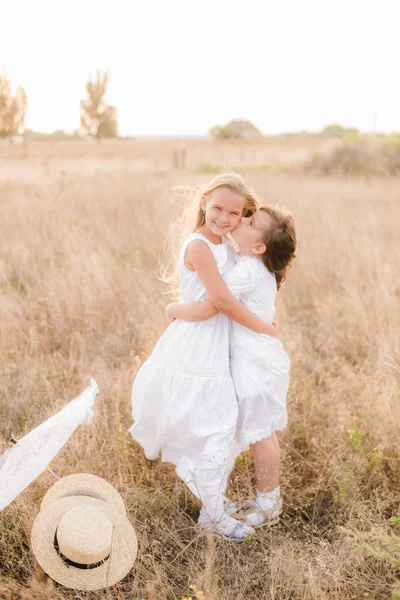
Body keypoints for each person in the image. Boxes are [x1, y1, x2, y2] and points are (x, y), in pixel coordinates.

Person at [129, 173, 277, 541]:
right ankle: (211, 513)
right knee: (213, 424)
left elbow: (240, 292)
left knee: (219, 424)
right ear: (203, 203)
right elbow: (219, 304)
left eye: (235, 213)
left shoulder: (229, 247)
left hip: (219, 342)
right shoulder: (198, 245)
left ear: (244, 216)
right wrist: (264, 328)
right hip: (197, 344)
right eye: (217, 208)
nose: (224, 218)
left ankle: (213, 502)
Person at [167, 204, 297, 528]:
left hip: (253, 363)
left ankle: (270, 503)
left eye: (250, 221)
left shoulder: (248, 269)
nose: (241, 221)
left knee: (262, 434)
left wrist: (174, 309)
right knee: (259, 432)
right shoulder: (251, 263)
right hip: (256, 359)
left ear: (258, 246)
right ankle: (264, 498)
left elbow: (215, 304)